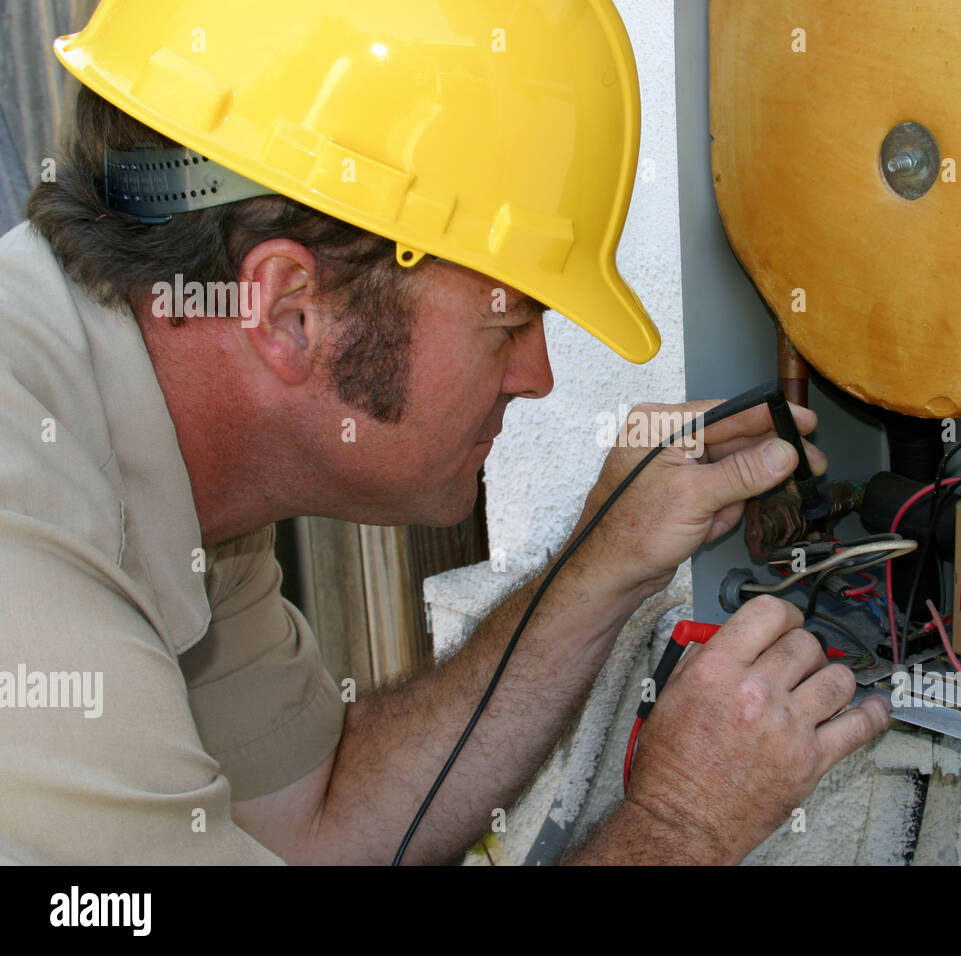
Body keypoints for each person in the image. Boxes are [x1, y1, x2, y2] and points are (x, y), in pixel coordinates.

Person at [0, 0, 890, 865]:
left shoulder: (185, 484)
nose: (537, 380)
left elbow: (314, 829)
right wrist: (683, 825)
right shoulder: (26, 531)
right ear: (290, 312)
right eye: (508, 324)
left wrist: (604, 559)